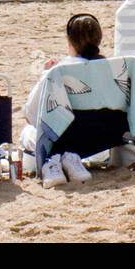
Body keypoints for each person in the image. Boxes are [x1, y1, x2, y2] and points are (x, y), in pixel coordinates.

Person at [20, 13, 105, 185]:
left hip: (63, 141)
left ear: (69, 41)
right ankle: (70, 161)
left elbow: (31, 115)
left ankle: (54, 161)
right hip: (98, 142)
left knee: (27, 132)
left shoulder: (57, 71)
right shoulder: (112, 68)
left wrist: (43, 76)